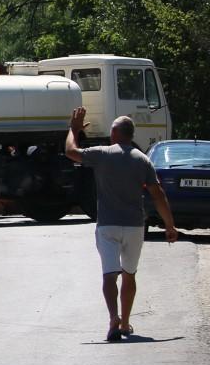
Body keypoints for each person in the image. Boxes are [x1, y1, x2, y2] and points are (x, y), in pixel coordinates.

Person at [65, 107, 177, 342]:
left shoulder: (103, 153)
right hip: (134, 227)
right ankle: (125, 322)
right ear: (131, 134)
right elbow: (158, 195)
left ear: (115, 132)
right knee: (129, 274)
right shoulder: (143, 159)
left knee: (109, 275)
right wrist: (169, 226)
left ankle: (113, 318)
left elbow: (71, 152)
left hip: (107, 226)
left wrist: (74, 129)